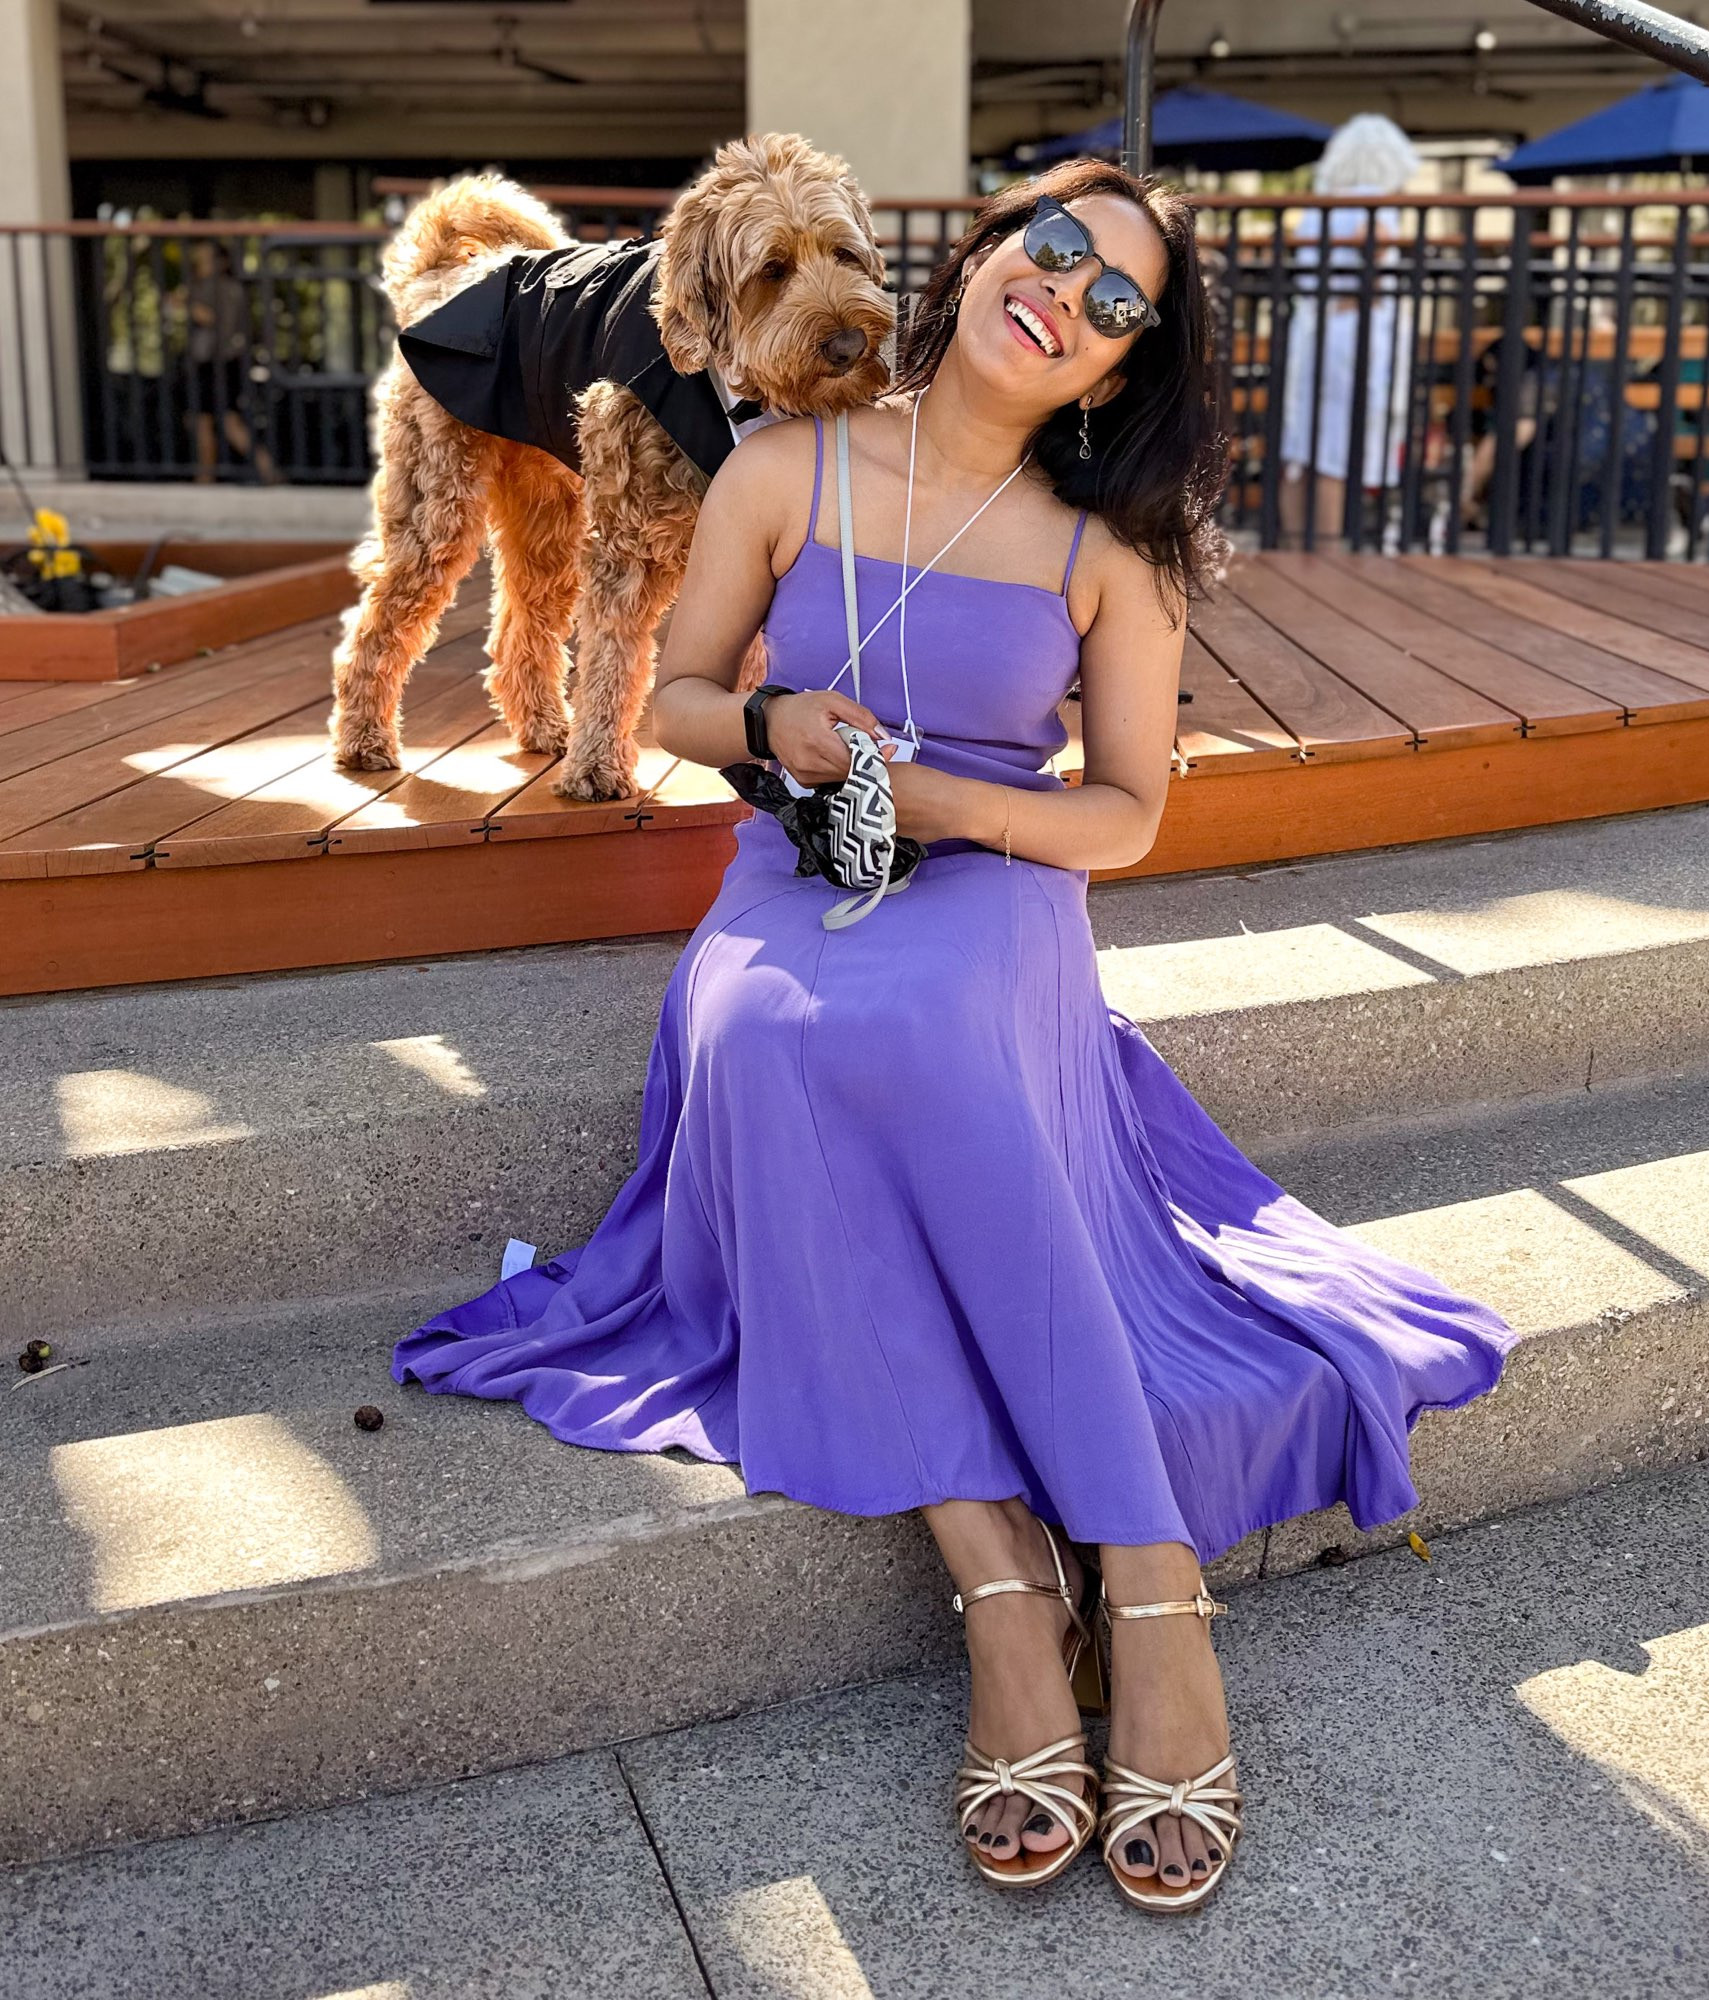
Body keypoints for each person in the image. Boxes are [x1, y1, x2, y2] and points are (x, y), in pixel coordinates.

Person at [388, 158, 1517, 1912]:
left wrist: (948, 805)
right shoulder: (780, 461)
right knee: (764, 1031)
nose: (1061, 292)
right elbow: (677, 697)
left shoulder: (1105, 552)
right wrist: (772, 718)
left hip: (995, 876)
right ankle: (1000, 1571)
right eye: (1046, 247)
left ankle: (1146, 1585)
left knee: (919, 1028)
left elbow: (1127, 813)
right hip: (798, 863)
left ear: (1114, 372)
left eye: (1111, 302)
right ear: (982, 252)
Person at [1278, 113, 1419, 550]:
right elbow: (1373, 251)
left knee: (1304, 447)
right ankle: (1328, 552)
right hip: (1356, 335)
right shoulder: (1378, 206)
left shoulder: (1320, 210)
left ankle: (1293, 546)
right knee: (1337, 452)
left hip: (1314, 332)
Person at [178, 240, 276, 483]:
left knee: (222, 422)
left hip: (217, 364)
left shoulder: (221, 289)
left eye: (205, 259)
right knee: (208, 422)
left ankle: (265, 471)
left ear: (220, 262)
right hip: (217, 363)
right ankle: (209, 477)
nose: (199, 264)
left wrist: (186, 303)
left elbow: (213, 319)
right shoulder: (219, 287)